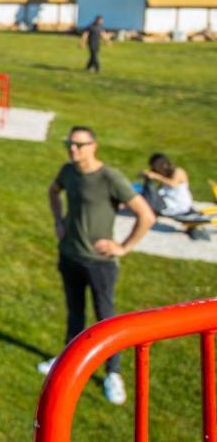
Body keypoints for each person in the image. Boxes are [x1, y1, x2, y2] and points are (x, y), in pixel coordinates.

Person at [38, 126, 155, 405]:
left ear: (94, 145)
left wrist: (123, 247)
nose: (73, 149)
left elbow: (146, 215)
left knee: (106, 318)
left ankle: (112, 374)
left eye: (79, 144)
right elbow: (53, 192)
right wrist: (58, 220)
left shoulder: (109, 178)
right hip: (69, 255)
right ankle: (66, 361)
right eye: (69, 143)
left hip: (100, 264)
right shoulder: (68, 171)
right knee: (74, 312)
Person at [139, 153, 194, 218]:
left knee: (149, 194)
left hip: (178, 203)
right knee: (146, 191)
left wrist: (155, 176)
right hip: (168, 201)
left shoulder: (178, 171)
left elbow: (173, 184)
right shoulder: (165, 173)